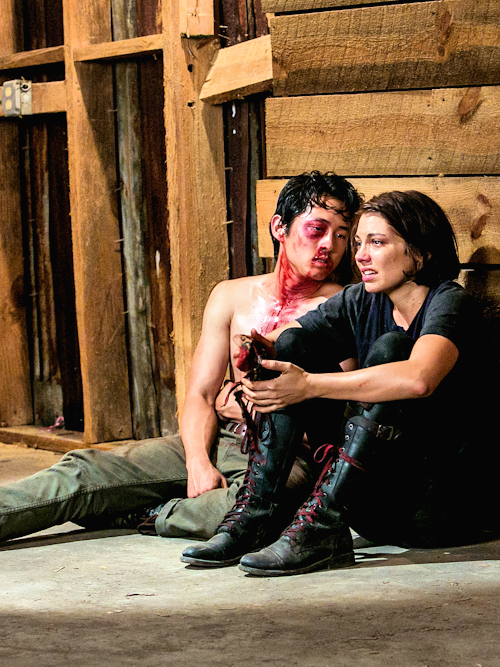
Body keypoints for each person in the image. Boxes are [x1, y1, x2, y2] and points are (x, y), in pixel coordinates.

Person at [0, 171, 362, 544]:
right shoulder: (230, 296)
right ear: (279, 227)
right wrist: (197, 462)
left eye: (341, 235)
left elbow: (338, 418)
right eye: (317, 229)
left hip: (287, 458)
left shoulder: (342, 308)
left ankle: (151, 513)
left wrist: (254, 406)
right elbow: (202, 395)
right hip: (220, 435)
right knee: (83, 471)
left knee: (254, 510)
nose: (329, 245)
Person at [181, 190, 498, 575]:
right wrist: (257, 356)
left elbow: (419, 379)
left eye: (376, 243)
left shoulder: (449, 302)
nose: (360, 255)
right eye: (359, 243)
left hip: (441, 507)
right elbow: (284, 340)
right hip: (371, 506)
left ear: (420, 253)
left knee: (391, 349)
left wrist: (308, 385)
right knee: (293, 344)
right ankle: (255, 517)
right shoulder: (360, 300)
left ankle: (322, 524)